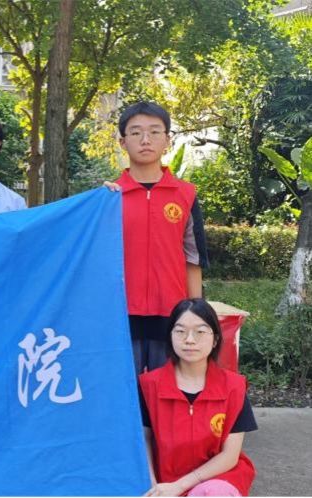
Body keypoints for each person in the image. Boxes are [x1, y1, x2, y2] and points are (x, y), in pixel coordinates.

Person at [107, 102, 209, 375]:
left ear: (167, 140)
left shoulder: (186, 194)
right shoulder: (109, 197)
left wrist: (196, 312)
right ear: (122, 142)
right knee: (126, 390)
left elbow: (193, 258)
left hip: (172, 312)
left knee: (166, 391)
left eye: (154, 132)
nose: (145, 140)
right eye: (136, 132)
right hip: (120, 313)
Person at [139, 298, 256, 497]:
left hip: (216, 479)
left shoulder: (234, 387)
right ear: (170, 336)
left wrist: (180, 486)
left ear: (215, 339)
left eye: (200, 332)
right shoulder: (148, 385)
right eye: (180, 331)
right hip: (163, 480)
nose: (190, 340)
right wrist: (153, 486)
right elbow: (144, 442)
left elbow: (230, 455)